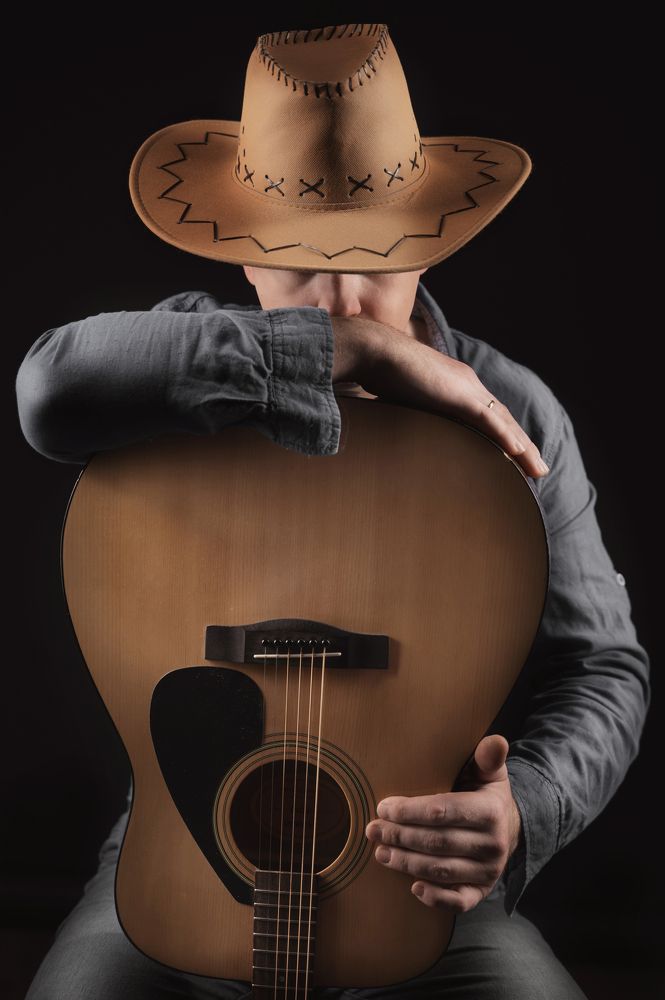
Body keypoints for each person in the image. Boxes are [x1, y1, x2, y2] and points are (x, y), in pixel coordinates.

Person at [16, 22, 650, 1000]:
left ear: (431, 249)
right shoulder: (177, 370)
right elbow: (48, 389)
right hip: (179, 849)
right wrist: (345, 357)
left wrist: (522, 807)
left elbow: (601, 666)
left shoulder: (514, 412)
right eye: (301, 264)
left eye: (377, 260)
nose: (344, 303)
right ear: (242, 259)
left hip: (417, 882)